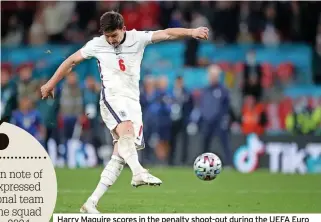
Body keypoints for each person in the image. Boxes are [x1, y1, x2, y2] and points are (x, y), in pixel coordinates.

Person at [40, 11, 209, 214]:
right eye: (107, 36)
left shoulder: (137, 38)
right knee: (126, 131)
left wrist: (191, 31)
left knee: (119, 155)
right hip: (111, 97)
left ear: (124, 29)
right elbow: (71, 61)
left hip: (132, 101)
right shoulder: (97, 44)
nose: (111, 40)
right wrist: (50, 84)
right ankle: (138, 172)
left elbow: (167, 34)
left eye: (114, 36)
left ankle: (90, 203)